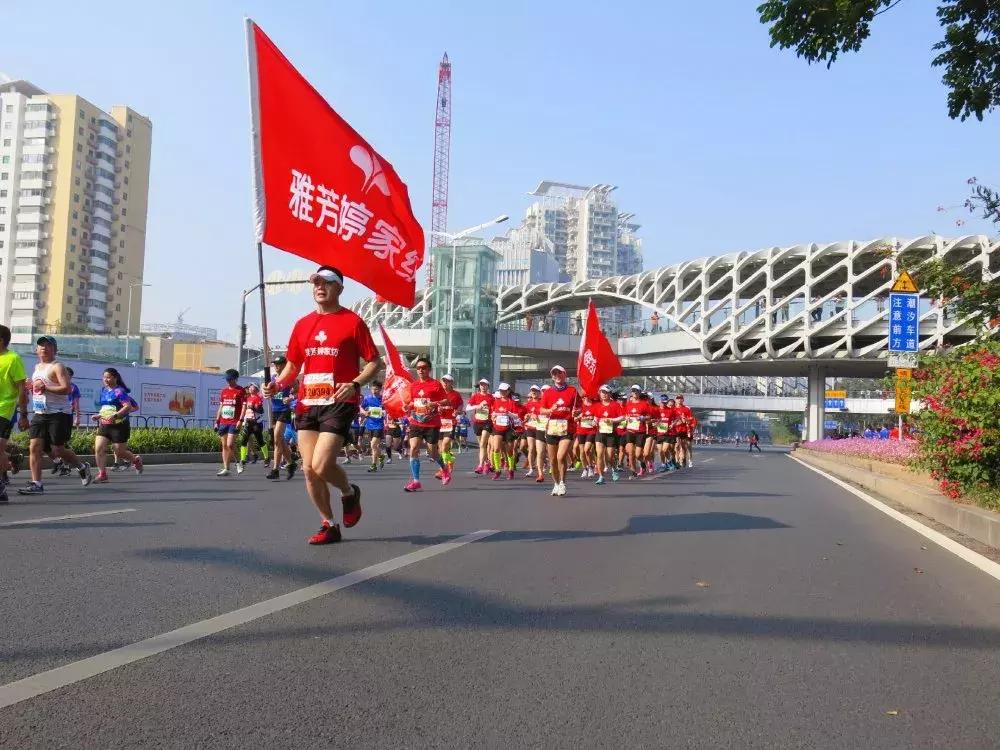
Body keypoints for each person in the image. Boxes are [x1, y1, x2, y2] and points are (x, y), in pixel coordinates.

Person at [263, 265, 383, 545]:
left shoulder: (352, 322)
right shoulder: (302, 324)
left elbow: (374, 362)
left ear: (339, 288)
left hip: (339, 401)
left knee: (320, 463)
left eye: (327, 282)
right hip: (308, 402)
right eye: (316, 281)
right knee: (308, 469)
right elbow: (293, 365)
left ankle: (348, 492)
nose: (320, 286)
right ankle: (329, 524)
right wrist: (278, 384)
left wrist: (354, 383)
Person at [17, 336, 92, 495]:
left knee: (58, 450)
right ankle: (37, 484)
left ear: (55, 350)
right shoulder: (37, 367)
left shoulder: (57, 367)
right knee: (34, 448)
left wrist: (45, 388)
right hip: (40, 413)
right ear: (36, 350)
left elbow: (66, 389)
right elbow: (38, 388)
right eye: (41, 345)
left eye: (48, 345)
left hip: (59, 413)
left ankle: (81, 466)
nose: (44, 348)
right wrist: (30, 388)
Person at [403, 356, 452, 491]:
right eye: (418, 368)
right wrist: (408, 407)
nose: (420, 370)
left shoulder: (435, 384)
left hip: (432, 423)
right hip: (416, 422)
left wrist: (434, 403)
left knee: (432, 453)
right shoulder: (413, 385)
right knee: (413, 448)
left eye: (423, 368)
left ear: (429, 369)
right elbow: (413, 402)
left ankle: (444, 469)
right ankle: (416, 480)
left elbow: (446, 401)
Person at [92, 368, 143, 482]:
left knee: (119, 452)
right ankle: (102, 474)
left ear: (115, 378)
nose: (106, 379)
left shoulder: (119, 391)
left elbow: (128, 406)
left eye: (108, 377)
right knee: (99, 448)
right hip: (105, 425)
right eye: (104, 377)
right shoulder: (103, 391)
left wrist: (116, 415)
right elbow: (106, 408)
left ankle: (136, 460)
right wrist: (99, 416)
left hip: (119, 426)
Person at [0, 325, 28, 502]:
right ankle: (12, 458)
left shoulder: (13, 358)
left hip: (5, 409)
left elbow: (22, 390)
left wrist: (24, 415)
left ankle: (1, 486)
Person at [540, 365, 578, 496]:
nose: (557, 376)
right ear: (552, 377)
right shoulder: (548, 392)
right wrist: (550, 410)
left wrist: (577, 413)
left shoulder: (573, 391)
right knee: (552, 460)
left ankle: (562, 483)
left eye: (559, 373)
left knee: (561, 457)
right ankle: (556, 484)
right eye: (554, 374)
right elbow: (542, 410)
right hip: (552, 429)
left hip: (567, 429)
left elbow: (579, 409)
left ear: (564, 375)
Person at [266, 355, 297, 481]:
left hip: (284, 410)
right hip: (275, 410)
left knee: (277, 437)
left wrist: (290, 397)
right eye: (275, 364)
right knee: (279, 440)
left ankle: (275, 469)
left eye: (279, 364)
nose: (276, 366)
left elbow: (297, 389)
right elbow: (267, 391)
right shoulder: (272, 378)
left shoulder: (289, 377)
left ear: (285, 365)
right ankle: (291, 463)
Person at [50, 366, 83, 476]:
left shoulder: (73, 388)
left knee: (63, 443)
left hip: (66, 415)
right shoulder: (55, 385)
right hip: (53, 415)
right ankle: (59, 463)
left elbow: (76, 404)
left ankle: (66, 466)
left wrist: (78, 418)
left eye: (66, 374)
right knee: (52, 442)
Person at [213, 370, 245, 477]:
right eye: (227, 379)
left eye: (230, 379)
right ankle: (226, 468)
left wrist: (241, 420)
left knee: (230, 444)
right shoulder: (224, 391)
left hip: (234, 421)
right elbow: (221, 407)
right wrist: (217, 421)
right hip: (223, 421)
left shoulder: (241, 391)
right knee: (224, 445)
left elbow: (244, 406)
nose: (228, 381)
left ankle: (238, 462)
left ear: (235, 379)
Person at [593, 385, 623, 484]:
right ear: (599, 394)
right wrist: (594, 421)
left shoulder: (615, 405)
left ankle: (614, 469)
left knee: (609, 456)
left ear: (609, 394)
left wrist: (611, 420)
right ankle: (601, 477)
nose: (604, 394)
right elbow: (596, 418)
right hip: (600, 433)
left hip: (611, 433)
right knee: (599, 455)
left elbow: (621, 417)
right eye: (602, 392)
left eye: (606, 392)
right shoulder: (597, 405)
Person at [237, 383, 269, 473]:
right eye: (249, 386)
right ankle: (243, 459)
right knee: (243, 440)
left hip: (256, 423)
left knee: (260, 441)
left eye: (252, 386)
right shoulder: (247, 398)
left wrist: (253, 408)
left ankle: (267, 458)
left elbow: (261, 410)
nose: (250, 388)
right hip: (248, 422)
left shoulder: (257, 398)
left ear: (256, 389)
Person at [437, 374, 464, 477]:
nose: (445, 383)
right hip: (439, 422)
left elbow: (461, 405)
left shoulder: (456, 395)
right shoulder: (437, 394)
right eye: (443, 380)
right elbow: (432, 405)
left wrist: (457, 411)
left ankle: (442, 470)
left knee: (445, 445)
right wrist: (436, 408)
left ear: (451, 383)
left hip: (450, 422)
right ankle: (451, 459)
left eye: (447, 381)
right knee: (441, 449)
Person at [623, 385, 653, 478]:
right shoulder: (628, 403)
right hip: (630, 430)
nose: (634, 393)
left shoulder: (644, 404)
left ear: (639, 393)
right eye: (633, 391)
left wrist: (643, 418)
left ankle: (642, 463)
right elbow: (624, 415)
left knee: (638, 454)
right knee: (630, 452)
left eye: (636, 391)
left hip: (640, 431)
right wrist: (626, 417)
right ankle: (633, 470)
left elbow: (649, 416)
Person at [488, 384, 516, 480]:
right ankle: (497, 470)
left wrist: (509, 414)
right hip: (497, 428)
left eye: (504, 391)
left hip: (508, 429)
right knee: (496, 449)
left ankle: (511, 470)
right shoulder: (496, 402)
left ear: (508, 391)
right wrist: (493, 417)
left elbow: (516, 416)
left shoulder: (511, 402)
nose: (502, 392)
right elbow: (493, 413)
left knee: (509, 451)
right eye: (501, 391)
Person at [467, 378, 494, 474]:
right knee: (481, 445)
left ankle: (480, 465)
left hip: (487, 422)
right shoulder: (475, 396)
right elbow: (468, 408)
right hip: (477, 422)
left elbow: (494, 409)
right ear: (479, 386)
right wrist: (477, 406)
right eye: (481, 385)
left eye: (485, 385)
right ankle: (487, 462)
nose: (483, 386)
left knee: (483, 444)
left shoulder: (491, 397)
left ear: (488, 386)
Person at [360, 381, 386, 472]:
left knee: (373, 445)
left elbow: (389, 410)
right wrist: (364, 412)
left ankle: (373, 465)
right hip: (369, 424)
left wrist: (384, 413)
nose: (374, 391)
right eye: (373, 389)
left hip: (379, 425)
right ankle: (381, 456)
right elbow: (360, 407)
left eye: (376, 389)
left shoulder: (383, 399)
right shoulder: (367, 398)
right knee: (374, 446)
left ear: (380, 389)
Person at [522, 385, 544, 481]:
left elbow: (546, 414)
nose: (533, 392)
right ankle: (531, 468)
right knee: (531, 448)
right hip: (530, 428)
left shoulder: (542, 403)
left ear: (539, 393)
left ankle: (542, 466)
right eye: (532, 391)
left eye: (535, 391)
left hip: (540, 428)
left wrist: (537, 416)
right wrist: (527, 416)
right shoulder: (527, 404)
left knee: (540, 450)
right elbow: (523, 416)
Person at [673, 394, 696, 468]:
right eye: (677, 398)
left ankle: (686, 459)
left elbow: (691, 419)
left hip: (684, 430)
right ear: (675, 400)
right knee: (676, 446)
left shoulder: (686, 409)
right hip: (675, 430)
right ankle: (677, 461)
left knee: (684, 446)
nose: (679, 400)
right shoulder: (672, 408)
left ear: (683, 400)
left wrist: (685, 420)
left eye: (680, 398)